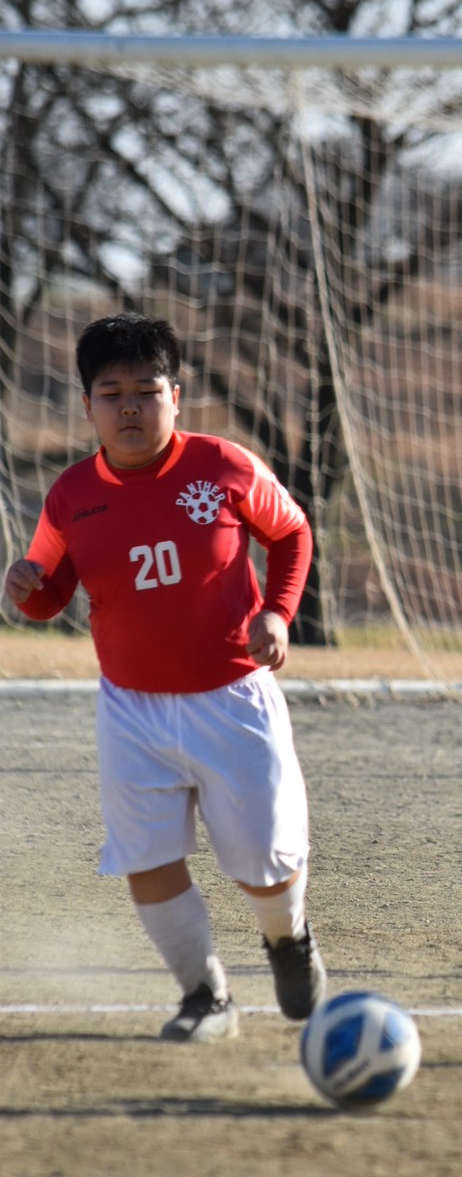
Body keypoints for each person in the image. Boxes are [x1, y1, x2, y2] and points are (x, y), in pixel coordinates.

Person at [4, 313, 327, 1043]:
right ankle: (205, 996)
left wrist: (277, 613)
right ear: (86, 405)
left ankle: (287, 939)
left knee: (266, 869)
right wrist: (25, 589)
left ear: (176, 396)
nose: (128, 406)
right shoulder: (70, 495)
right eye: (110, 391)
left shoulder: (225, 466)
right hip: (131, 708)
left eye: (146, 390)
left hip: (233, 697)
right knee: (146, 860)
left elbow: (292, 531)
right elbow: (53, 593)